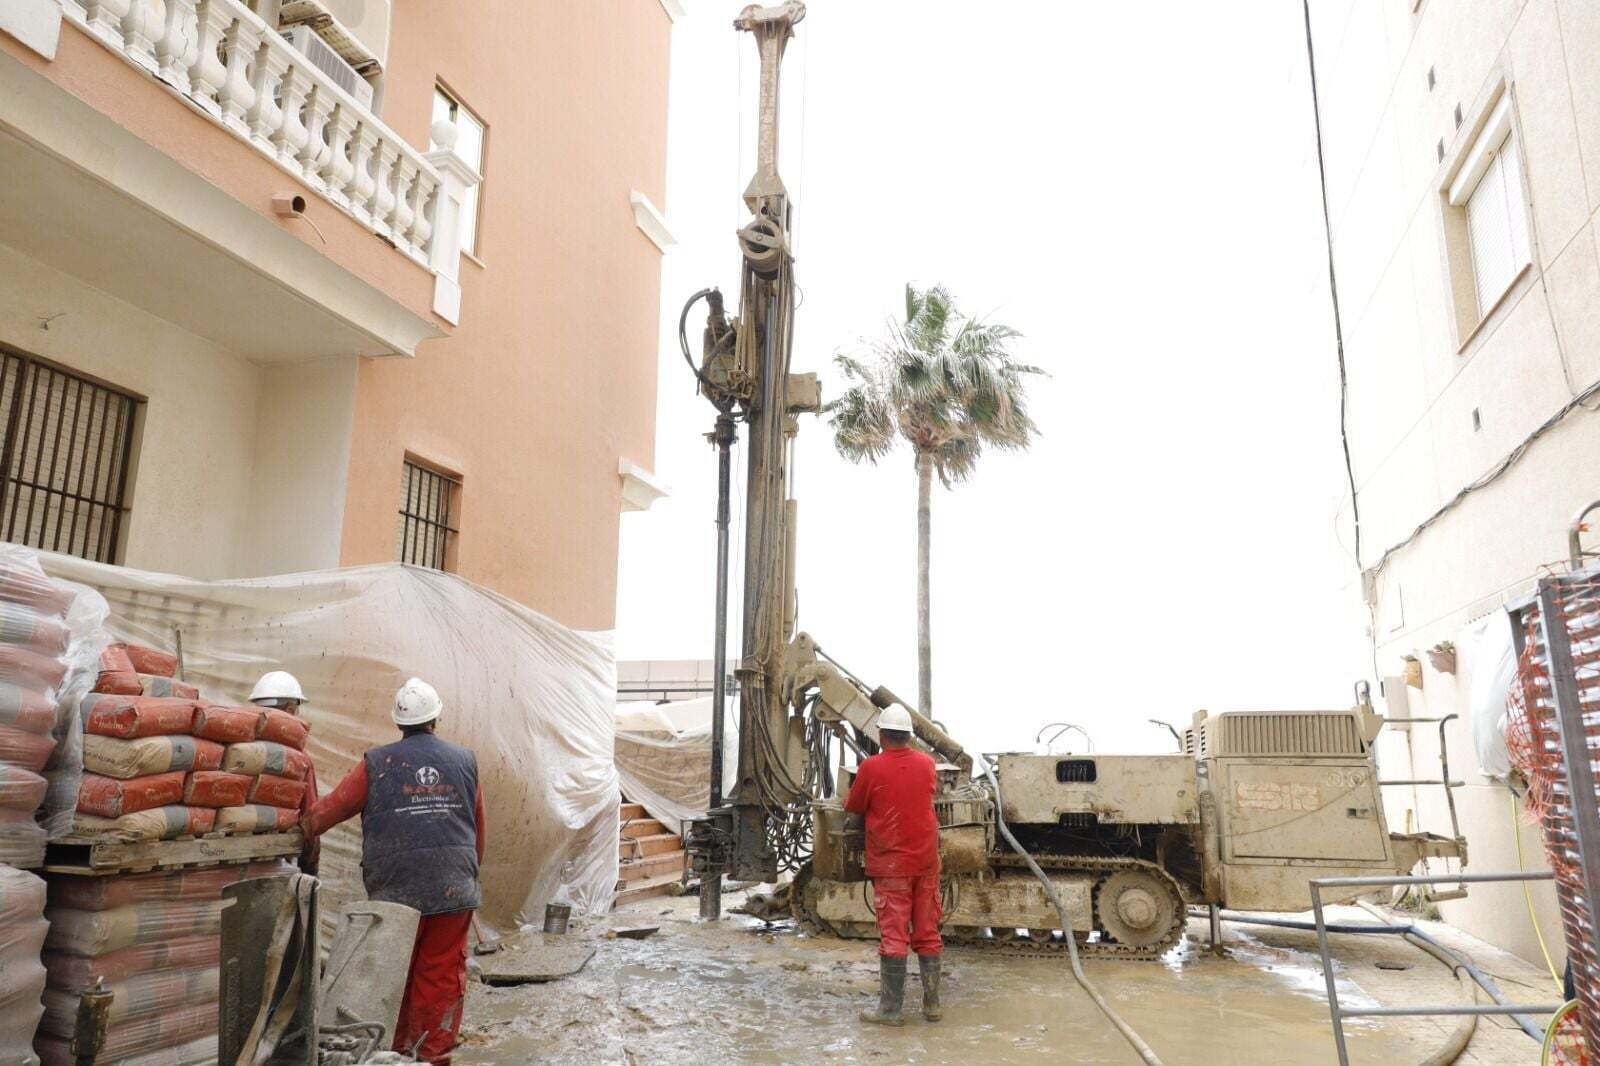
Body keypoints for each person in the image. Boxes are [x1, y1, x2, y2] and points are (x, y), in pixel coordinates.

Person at [300, 678, 486, 1064]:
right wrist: (467, 875)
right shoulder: (464, 761)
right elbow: (477, 827)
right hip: (453, 889)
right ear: (436, 717)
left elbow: (328, 811)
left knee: (393, 973)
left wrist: (301, 826)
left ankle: (395, 1053)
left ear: (398, 722)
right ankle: (431, 1057)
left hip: (395, 891)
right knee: (439, 976)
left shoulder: (377, 763)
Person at [843, 705, 942, 1026]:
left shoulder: (871, 767)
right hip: (926, 861)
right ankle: (932, 1006)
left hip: (891, 864)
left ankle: (890, 1011)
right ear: (909, 736)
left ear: (882, 735)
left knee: (894, 935)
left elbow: (853, 805)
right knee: (927, 932)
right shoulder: (927, 764)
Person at [249, 670, 320, 875]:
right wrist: (310, 868)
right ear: (290, 709)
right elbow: (310, 820)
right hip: (279, 862)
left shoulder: (236, 752)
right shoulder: (301, 760)